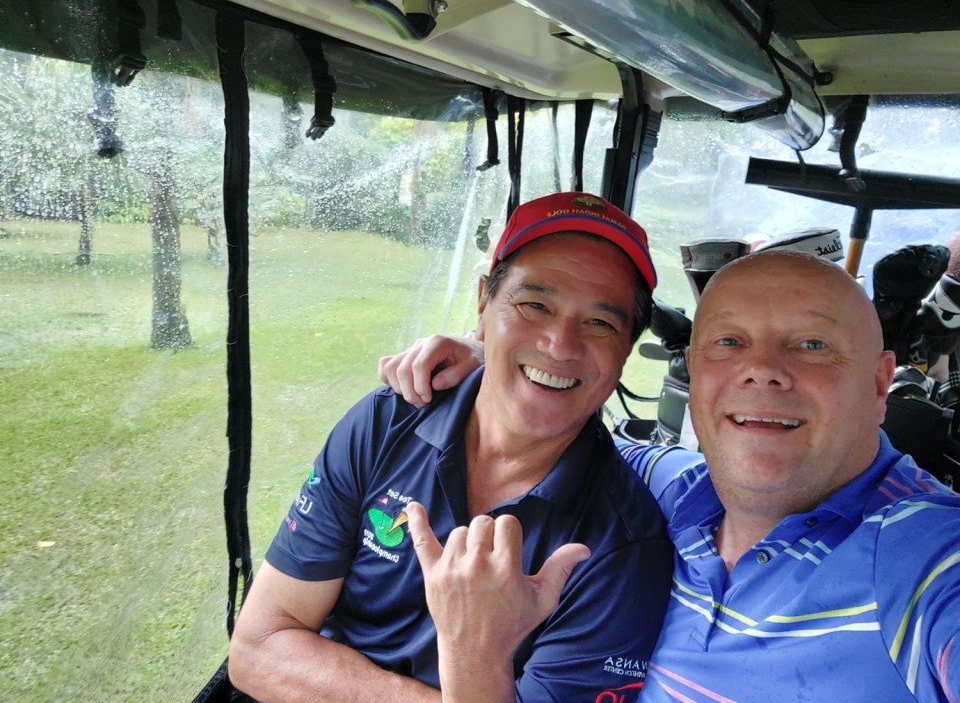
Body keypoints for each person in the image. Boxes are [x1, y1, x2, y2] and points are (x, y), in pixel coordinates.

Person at [382, 249, 960, 703]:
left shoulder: (936, 557)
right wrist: (498, 361)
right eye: (729, 343)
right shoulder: (674, 490)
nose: (762, 369)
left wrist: (475, 659)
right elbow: (567, 431)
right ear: (692, 373)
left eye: (812, 345)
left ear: (881, 383)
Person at [228, 192, 674, 703]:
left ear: (626, 350)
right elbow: (257, 647)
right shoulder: (387, 422)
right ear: (484, 304)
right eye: (534, 305)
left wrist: (474, 656)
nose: (560, 343)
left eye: (600, 323)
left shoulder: (624, 548)